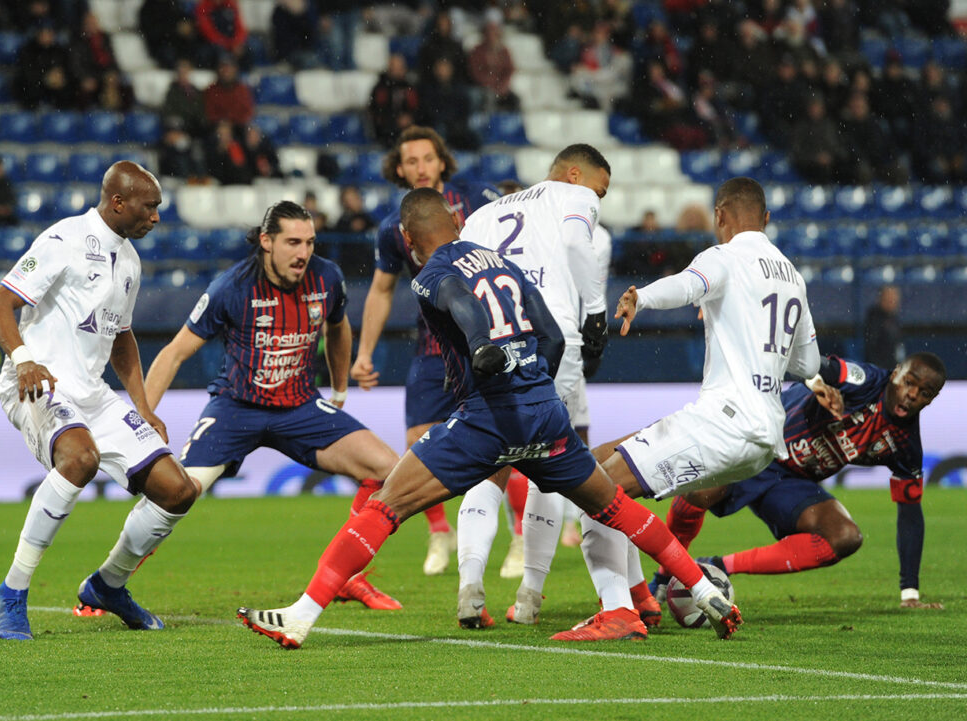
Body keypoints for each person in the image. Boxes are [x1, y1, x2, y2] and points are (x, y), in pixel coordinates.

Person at [236, 188, 742, 649]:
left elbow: (459, 301)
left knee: (386, 504)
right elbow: (550, 334)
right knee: (613, 506)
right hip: (544, 410)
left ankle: (301, 617)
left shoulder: (430, 275)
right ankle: (702, 589)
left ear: (409, 239)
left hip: (489, 418)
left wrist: (482, 348)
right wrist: (529, 377)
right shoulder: (502, 261)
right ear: (457, 224)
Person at [550, 176, 822, 639]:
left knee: (593, 488)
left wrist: (642, 296)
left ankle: (621, 611)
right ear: (767, 219)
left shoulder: (724, 257)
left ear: (719, 216)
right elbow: (808, 362)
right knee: (608, 473)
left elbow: (687, 284)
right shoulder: (792, 275)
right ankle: (643, 600)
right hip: (763, 441)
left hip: (724, 421)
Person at [142, 200, 402, 611]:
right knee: (176, 493)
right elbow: (173, 353)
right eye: (293, 242)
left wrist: (338, 390)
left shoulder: (327, 277)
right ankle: (109, 582)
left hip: (300, 407)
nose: (303, 253)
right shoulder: (232, 287)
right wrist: (143, 417)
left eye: (310, 242)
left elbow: (338, 329)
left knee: (389, 471)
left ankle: (347, 578)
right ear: (266, 241)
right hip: (235, 408)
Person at [0, 161, 200, 640]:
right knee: (80, 458)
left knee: (178, 490)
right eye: (150, 207)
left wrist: (143, 407)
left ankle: (108, 585)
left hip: (94, 394)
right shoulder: (65, 240)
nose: (157, 218)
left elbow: (121, 338)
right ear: (118, 201)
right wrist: (23, 359)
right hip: (38, 384)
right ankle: (12, 592)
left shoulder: (131, 261)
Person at [452, 144, 614, 630]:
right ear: (574, 174)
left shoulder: (482, 214)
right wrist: (597, 312)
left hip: (491, 340)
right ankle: (529, 596)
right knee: (554, 464)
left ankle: (469, 584)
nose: (600, 200)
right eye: (600, 190)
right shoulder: (574, 198)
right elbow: (573, 245)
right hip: (551, 338)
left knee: (488, 463)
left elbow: (455, 277)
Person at [650, 352, 946, 610]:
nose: (912, 394)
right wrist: (819, 386)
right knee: (698, 491)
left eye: (925, 392)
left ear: (932, 400)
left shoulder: (906, 446)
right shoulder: (865, 381)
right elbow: (815, 366)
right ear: (896, 374)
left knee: (845, 537)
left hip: (791, 482)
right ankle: (663, 578)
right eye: (909, 382)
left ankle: (717, 566)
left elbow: (910, 515)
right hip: (759, 445)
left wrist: (910, 592)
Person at [350, 125, 499, 576]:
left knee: (505, 442)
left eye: (427, 159)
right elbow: (379, 290)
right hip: (434, 345)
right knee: (418, 439)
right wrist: (364, 353)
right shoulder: (391, 227)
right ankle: (439, 530)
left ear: (441, 162)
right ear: (399, 169)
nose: (420, 167)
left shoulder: (478, 202)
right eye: (410, 161)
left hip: (488, 338)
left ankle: (517, 540)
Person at [864, 285, 904, 371]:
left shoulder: (894, 319)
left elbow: (898, 347)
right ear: (881, 299)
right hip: (880, 370)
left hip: (892, 367)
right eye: (890, 299)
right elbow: (871, 349)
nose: (893, 303)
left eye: (895, 300)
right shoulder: (874, 319)